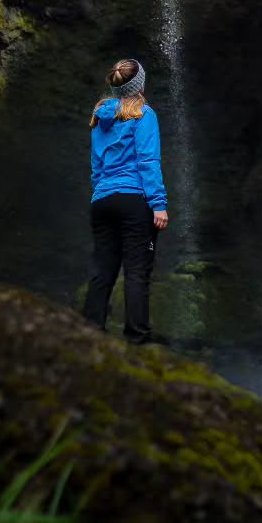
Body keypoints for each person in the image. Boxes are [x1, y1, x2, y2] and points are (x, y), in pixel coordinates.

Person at [82, 57, 169, 337]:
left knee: (102, 272)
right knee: (136, 271)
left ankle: (90, 333)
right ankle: (137, 340)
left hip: (103, 200)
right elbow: (147, 161)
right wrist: (158, 204)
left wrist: (100, 193)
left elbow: (96, 165)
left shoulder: (99, 116)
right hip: (134, 200)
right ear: (140, 84)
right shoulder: (144, 114)